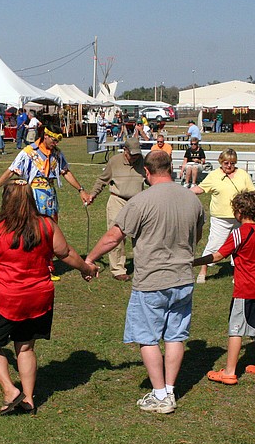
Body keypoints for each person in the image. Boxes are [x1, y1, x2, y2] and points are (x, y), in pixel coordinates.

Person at [85, 151, 205, 414]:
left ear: (146, 173)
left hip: (151, 280)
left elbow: (112, 237)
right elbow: (196, 234)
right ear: (171, 168)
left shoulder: (140, 202)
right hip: (183, 278)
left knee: (147, 337)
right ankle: (170, 390)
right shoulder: (191, 199)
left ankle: (160, 393)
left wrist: (90, 259)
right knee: (176, 335)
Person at [0, 180, 95, 415]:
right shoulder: (47, 225)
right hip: (39, 298)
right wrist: (86, 269)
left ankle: (10, 390)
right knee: (25, 348)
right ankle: (29, 400)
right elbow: (65, 253)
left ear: (6, 200)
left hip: (5, 298)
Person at [195, 192, 255, 385]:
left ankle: (229, 372)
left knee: (235, 330)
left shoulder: (238, 233)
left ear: (238, 212)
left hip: (245, 290)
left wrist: (194, 262)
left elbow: (218, 256)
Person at [0, 123, 91, 219]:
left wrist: (81, 190)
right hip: (32, 195)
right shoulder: (28, 152)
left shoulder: (56, 153)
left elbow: (65, 172)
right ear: (46, 136)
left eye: (57, 141)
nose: (55, 144)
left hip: (50, 197)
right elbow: (11, 171)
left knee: (50, 229)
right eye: (54, 140)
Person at [85, 137, 147, 281]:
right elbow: (102, 180)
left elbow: (152, 179)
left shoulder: (143, 162)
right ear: (125, 151)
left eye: (137, 154)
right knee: (116, 236)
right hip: (117, 200)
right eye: (132, 154)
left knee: (141, 236)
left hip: (138, 201)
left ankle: (143, 266)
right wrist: (93, 194)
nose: (135, 157)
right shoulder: (114, 161)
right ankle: (118, 269)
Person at [191, 149, 255, 283]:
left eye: (232, 163)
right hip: (220, 218)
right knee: (215, 244)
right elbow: (200, 189)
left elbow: (252, 193)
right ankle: (203, 271)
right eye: (226, 163)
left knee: (240, 245)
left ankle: (238, 272)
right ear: (221, 162)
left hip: (241, 218)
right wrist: (183, 192)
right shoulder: (214, 175)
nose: (229, 166)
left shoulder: (243, 174)